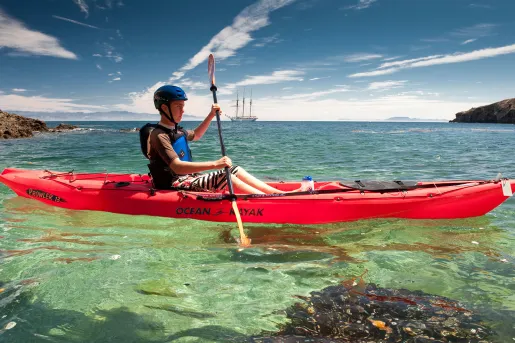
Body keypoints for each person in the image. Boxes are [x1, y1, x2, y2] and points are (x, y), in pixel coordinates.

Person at [139, 85, 284, 194]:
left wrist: (211, 115)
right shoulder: (159, 135)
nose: (182, 110)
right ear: (164, 108)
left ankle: (278, 194)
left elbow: (196, 135)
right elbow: (177, 167)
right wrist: (215, 164)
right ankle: (268, 200)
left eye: (183, 106)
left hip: (188, 178)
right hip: (174, 183)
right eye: (178, 106)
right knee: (224, 176)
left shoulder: (177, 131)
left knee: (234, 169)